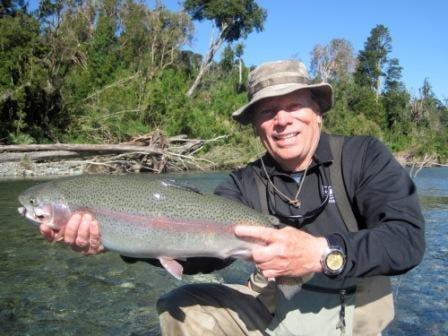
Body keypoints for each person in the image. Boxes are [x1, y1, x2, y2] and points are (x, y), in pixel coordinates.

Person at [40, 60, 425, 336]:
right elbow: (200, 256)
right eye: (268, 110)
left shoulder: (363, 156)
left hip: (353, 300)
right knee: (180, 306)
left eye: (294, 105)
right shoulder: (244, 183)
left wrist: (322, 253)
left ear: (318, 111)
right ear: (257, 125)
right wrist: (116, 235)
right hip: (273, 300)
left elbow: (407, 240)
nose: (282, 119)